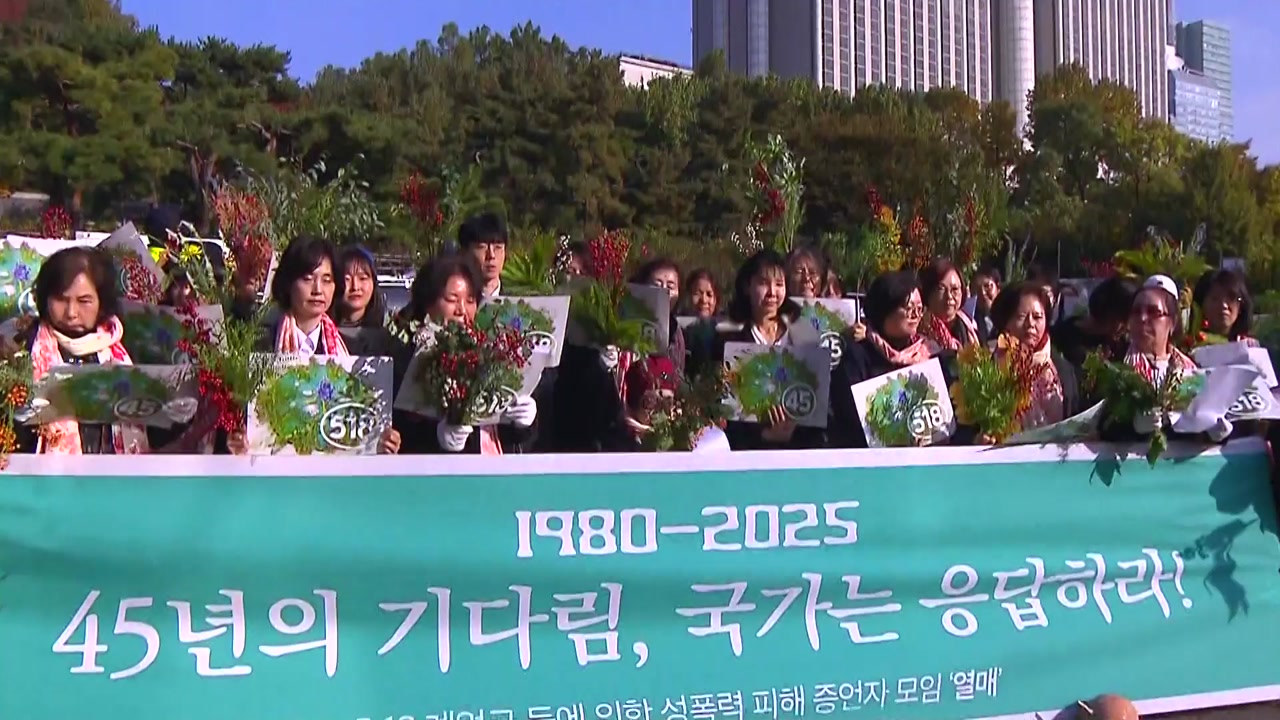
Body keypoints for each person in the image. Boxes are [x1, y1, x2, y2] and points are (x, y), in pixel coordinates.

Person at [228, 236, 400, 454]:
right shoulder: (258, 347)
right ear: (288, 283)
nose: (318, 289)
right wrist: (238, 438)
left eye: (327, 280)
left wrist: (381, 441)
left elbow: (362, 429)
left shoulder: (352, 355)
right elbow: (237, 419)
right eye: (308, 279)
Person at [14, 247, 152, 454]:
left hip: (113, 471)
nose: (71, 313)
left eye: (84, 301)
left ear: (101, 302)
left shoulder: (127, 349)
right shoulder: (22, 351)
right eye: (61, 300)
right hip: (45, 473)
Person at [396, 255, 538, 455]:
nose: (462, 310)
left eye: (470, 300)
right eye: (452, 300)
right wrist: (437, 438)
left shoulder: (490, 353)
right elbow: (401, 431)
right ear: (428, 303)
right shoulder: (407, 359)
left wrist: (522, 423)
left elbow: (503, 436)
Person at [713, 250, 822, 450]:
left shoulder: (804, 335)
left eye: (779, 284)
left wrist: (794, 431)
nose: (772, 292)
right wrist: (764, 435)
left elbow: (821, 399)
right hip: (749, 451)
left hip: (802, 449)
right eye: (763, 283)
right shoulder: (728, 338)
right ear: (747, 286)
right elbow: (723, 408)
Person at [830, 271, 942, 448]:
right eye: (909, 308)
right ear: (884, 310)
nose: (916, 315)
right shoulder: (857, 356)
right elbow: (849, 416)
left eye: (920, 309)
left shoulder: (929, 353)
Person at [986, 282, 1079, 433]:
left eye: (1037, 317)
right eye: (1021, 316)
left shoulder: (1063, 369)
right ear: (1005, 322)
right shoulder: (988, 369)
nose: (1030, 324)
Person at [331, 246, 401, 361]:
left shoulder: (390, 335)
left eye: (363, 278)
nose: (355, 287)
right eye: (347, 279)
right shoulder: (323, 333)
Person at [1051, 276, 1136, 369]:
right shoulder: (1062, 339)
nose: (1127, 328)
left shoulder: (1122, 345)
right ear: (1111, 316)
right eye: (1124, 320)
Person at [601, 354, 680, 451]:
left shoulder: (624, 442)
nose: (653, 400)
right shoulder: (622, 373)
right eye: (659, 393)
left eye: (657, 410)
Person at [631, 258, 687, 373]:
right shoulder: (627, 321)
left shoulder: (676, 331)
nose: (664, 291)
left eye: (670, 287)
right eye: (657, 285)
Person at [918, 259, 979, 353]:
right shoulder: (918, 331)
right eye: (941, 289)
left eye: (955, 289)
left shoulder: (969, 325)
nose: (949, 296)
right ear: (928, 292)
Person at [1193, 269, 1256, 345]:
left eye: (1231, 298)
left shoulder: (1249, 345)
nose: (1224, 305)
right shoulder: (1190, 344)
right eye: (1215, 298)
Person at [459, 212, 507, 299]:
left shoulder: (520, 301)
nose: (491, 255)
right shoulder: (454, 302)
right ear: (464, 253)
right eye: (482, 247)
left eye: (498, 247)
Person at [964, 266, 1001, 345]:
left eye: (987, 286)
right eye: (977, 289)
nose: (983, 293)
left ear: (998, 288)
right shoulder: (968, 324)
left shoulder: (1010, 318)